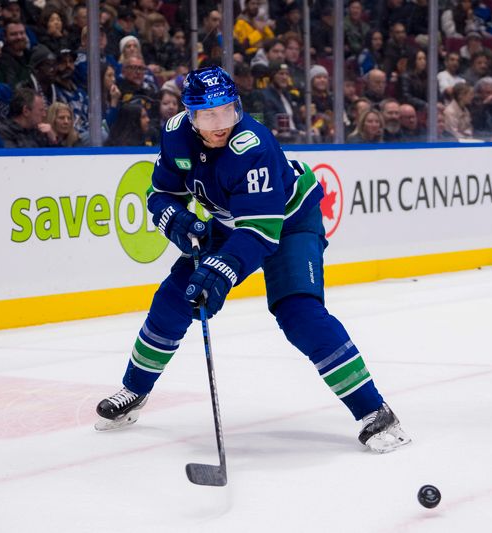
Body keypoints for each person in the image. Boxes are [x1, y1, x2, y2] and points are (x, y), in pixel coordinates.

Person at [95, 66, 410, 453]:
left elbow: (261, 232)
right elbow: (160, 193)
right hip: (233, 220)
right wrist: (174, 219)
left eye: (227, 111)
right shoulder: (176, 134)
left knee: (298, 313)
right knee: (173, 300)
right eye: (209, 115)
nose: (220, 124)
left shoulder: (253, 144)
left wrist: (223, 268)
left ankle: (375, 412)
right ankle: (135, 389)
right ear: (191, 116)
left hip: (289, 220)